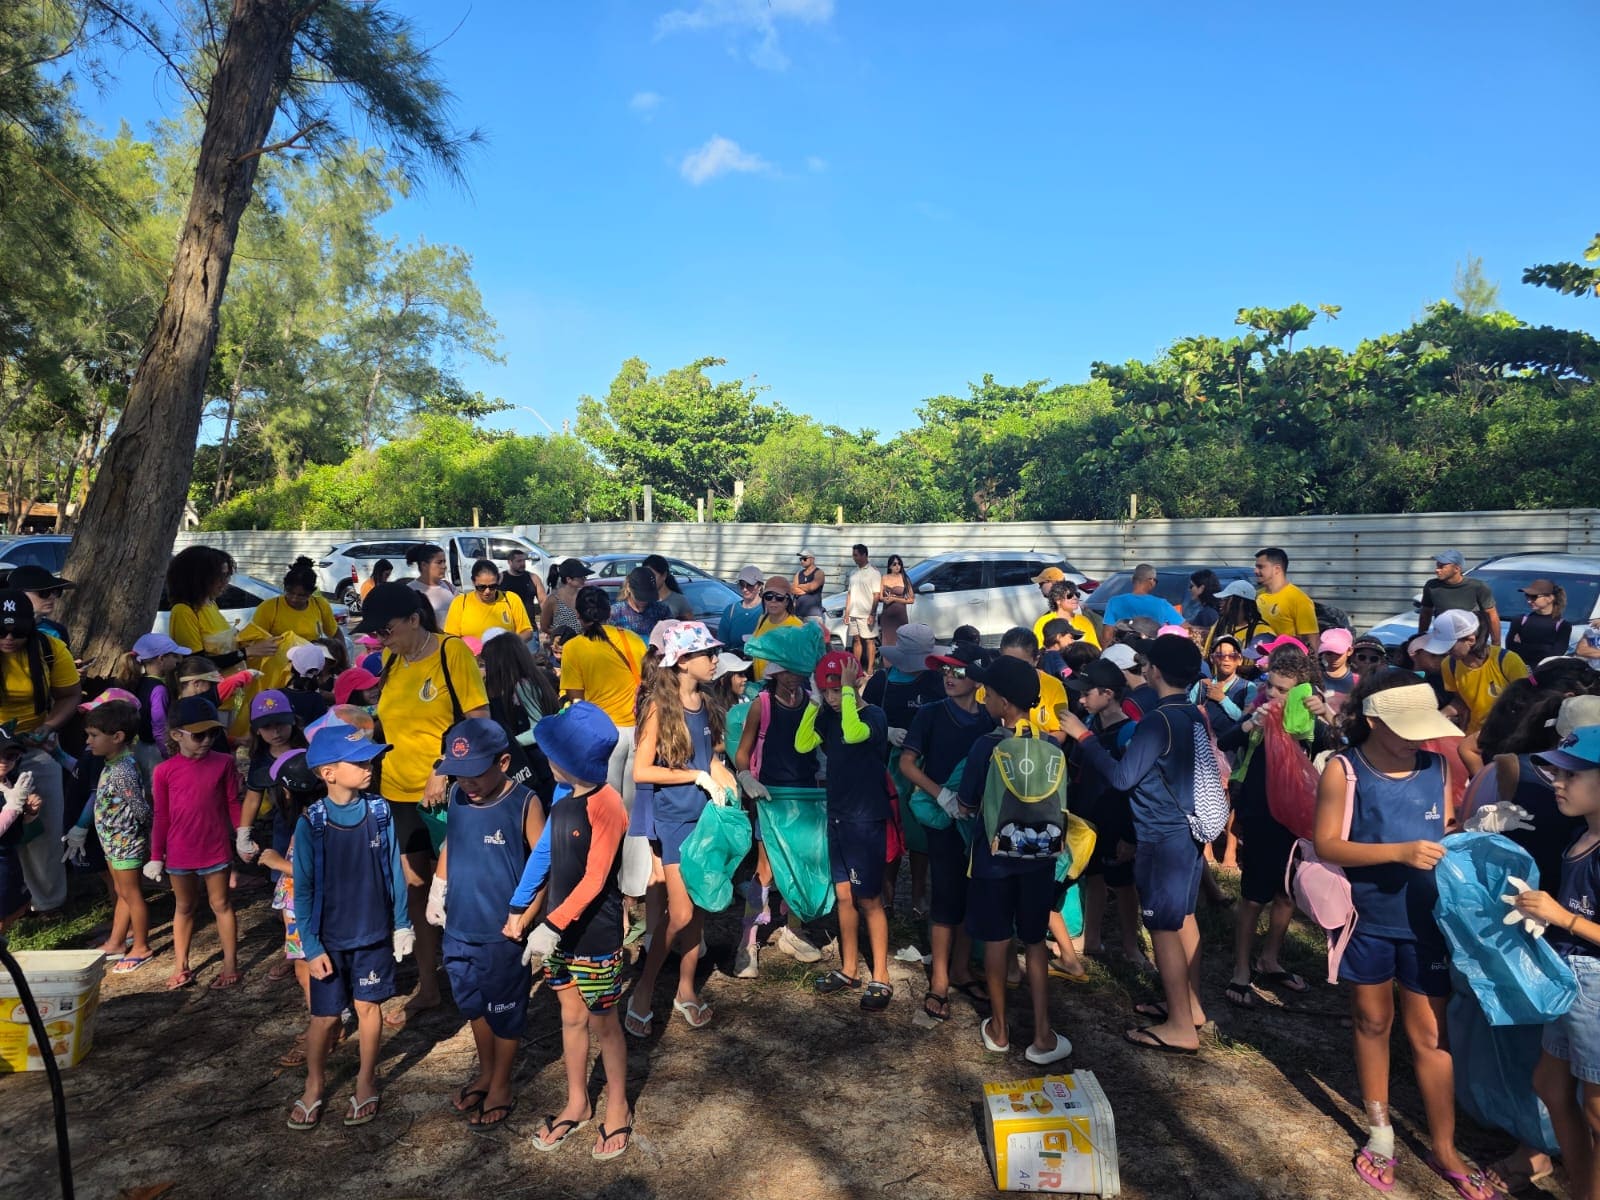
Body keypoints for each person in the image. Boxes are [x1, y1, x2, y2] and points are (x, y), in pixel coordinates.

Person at [1312, 672, 1495, 1198]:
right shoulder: (1344, 770)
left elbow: (1446, 828)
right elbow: (1328, 844)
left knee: (1432, 1036)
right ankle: (1381, 1134)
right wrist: (1399, 851)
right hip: (1367, 920)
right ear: (1372, 720)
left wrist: (1473, 834)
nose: (1419, 738)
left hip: (1428, 921)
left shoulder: (1438, 765)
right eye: (1406, 728)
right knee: (1372, 1021)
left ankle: (1444, 1146)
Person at [1062, 634, 1213, 1054]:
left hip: (1160, 835)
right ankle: (1191, 1006)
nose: (1143, 671)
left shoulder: (1156, 720)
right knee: (1183, 918)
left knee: (1163, 926)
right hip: (1187, 830)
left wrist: (1083, 738)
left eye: (1146, 665)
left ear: (1155, 671)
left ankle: (1180, 1026)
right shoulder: (1191, 712)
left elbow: (1123, 777)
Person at [355, 582, 490, 1025]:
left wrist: (443, 767)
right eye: (375, 632)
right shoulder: (392, 660)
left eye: (386, 629)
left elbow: (479, 724)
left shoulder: (453, 654)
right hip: (398, 793)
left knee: (462, 888)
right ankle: (430, 987)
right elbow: (391, 721)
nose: (379, 638)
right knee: (417, 890)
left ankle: (481, 978)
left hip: (449, 795)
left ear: (414, 618)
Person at [505, 701, 633, 1161]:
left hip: (593, 937)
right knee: (570, 1017)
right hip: (556, 933)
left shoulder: (608, 805)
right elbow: (546, 859)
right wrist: (522, 910)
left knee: (605, 1023)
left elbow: (596, 879)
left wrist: (552, 926)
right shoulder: (562, 796)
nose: (544, 761)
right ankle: (577, 1101)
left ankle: (617, 1105)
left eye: (549, 754)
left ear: (570, 759)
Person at [287, 721, 412, 1131]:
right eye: (359, 761)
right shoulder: (312, 822)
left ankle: (365, 1079)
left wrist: (401, 924)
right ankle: (314, 1083)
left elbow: (393, 868)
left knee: (369, 1007)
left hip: (373, 934)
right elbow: (301, 889)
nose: (369, 766)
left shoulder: (379, 811)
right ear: (328, 773)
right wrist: (311, 945)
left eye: (370, 759)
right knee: (324, 1017)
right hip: (327, 941)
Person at [955, 654, 1073, 1065]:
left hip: (992, 861)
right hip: (1039, 860)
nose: (984, 696)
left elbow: (968, 801)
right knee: (1036, 941)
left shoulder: (986, 745)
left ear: (1003, 704)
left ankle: (1000, 1029)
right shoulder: (1049, 745)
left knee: (996, 939)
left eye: (990, 693)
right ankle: (1042, 1034)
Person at [427, 717, 543, 1127]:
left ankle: (502, 1083)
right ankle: (487, 1069)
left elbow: (543, 863)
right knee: (473, 1003)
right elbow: (451, 844)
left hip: (502, 933)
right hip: (458, 926)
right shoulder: (458, 796)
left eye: (476, 773)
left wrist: (529, 918)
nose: (467, 782)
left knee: (505, 1008)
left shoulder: (525, 803)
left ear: (505, 762)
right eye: (458, 774)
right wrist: (437, 888)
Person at [626, 620, 730, 1033]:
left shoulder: (706, 703)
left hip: (705, 816)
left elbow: (710, 759)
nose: (715, 659)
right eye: (708, 654)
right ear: (684, 661)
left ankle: (686, 989)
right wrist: (695, 777)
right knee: (681, 910)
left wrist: (726, 780)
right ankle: (645, 989)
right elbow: (641, 771)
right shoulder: (658, 707)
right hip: (673, 820)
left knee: (699, 907)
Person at [1217, 645, 1335, 1009]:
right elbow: (1226, 741)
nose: (1273, 694)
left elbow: (1342, 743)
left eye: (1283, 690)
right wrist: (1251, 722)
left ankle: (1269, 959)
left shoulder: (1309, 718)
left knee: (1287, 892)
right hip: (1259, 810)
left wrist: (1328, 713)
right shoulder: (1259, 713)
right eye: (1271, 685)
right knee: (1254, 894)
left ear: (1302, 691)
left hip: (1297, 812)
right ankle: (1240, 968)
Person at [1511, 725, 1600, 1200]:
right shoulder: (1580, 834)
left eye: (1571, 774)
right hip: (1571, 978)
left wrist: (1560, 917)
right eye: (1555, 772)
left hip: (1597, 985)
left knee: (1598, 1110)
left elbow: (1575, 917)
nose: (1556, 783)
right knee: (1550, 1081)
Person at [901, 641, 997, 1021]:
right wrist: (940, 794)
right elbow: (908, 764)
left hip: (978, 822)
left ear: (977, 679)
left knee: (973, 894)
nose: (948, 677)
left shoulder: (990, 719)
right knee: (945, 897)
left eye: (958, 671)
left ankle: (961, 968)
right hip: (943, 820)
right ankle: (939, 980)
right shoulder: (930, 713)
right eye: (944, 670)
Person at [731, 628, 827, 978]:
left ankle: (793, 930)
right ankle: (748, 939)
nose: (792, 676)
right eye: (786, 670)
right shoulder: (762, 704)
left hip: (805, 797)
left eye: (797, 670)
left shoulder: (813, 702)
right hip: (770, 798)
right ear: (775, 672)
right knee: (765, 870)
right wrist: (747, 779)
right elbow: (742, 754)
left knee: (800, 864)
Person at [801, 650, 894, 1011]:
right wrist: (812, 705)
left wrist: (849, 694)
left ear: (854, 685)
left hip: (864, 818)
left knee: (868, 898)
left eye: (835, 690)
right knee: (844, 896)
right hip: (838, 816)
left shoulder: (874, 716)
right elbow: (802, 744)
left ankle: (881, 975)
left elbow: (855, 735)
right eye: (826, 691)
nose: (831, 698)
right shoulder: (826, 714)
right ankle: (849, 968)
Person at [146, 697, 242, 991]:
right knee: (184, 907)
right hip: (179, 852)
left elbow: (233, 802)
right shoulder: (164, 771)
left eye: (213, 734)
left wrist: (243, 834)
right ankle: (181, 965)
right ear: (176, 735)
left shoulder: (224, 762)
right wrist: (156, 855)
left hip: (215, 848)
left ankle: (230, 964)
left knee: (221, 904)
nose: (207, 741)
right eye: (199, 735)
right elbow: (161, 815)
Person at [0, 587, 78, 913]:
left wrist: (50, 726)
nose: (9, 637)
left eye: (18, 631)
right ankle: (9, 903)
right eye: (0, 630)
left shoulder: (49, 648)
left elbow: (69, 694)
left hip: (34, 747)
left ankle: (47, 904)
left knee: (42, 827)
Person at [863, 623, 946, 916]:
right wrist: (886, 731)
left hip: (925, 766)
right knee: (891, 831)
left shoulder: (936, 682)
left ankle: (919, 894)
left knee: (921, 832)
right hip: (887, 767)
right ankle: (887, 893)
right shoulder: (881, 682)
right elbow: (862, 720)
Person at [1069, 657, 1145, 965]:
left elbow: (1133, 787)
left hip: (1117, 822)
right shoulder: (1086, 725)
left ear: (1109, 694)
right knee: (1094, 877)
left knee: (1124, 886)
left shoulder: (1131, 733)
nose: (1081, 699)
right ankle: (1093, 938)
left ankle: (1132, 946)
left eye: (1087, 693)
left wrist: (1130, 835)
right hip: (1088, 819)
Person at [77, 699, 154, 974]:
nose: (89, 741)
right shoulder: (111, 763)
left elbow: (141, 809)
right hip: (113, 843)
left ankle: (141, 946)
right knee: (121, 892)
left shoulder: (122, 769)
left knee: (132, 894)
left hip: (126, 844)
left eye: (94, 735)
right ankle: (116, 941)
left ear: (117, 737)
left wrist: (149, 839)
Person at [561, 586, 645, 819]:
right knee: (632, 813)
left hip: (603, 736)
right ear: (609, 612)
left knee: (606, 814)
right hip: (639, 733)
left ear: (578, 614)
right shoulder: (633, 640)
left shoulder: (573, 648)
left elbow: (576, 700)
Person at [234, 690, 309, 950]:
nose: (275, 732)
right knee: (284, 889)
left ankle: (315, 942)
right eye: (267, 727)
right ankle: (294, 948)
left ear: (293, 721)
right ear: (256, 730)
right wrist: (243, 835)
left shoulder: (309, 748)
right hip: (283, 829)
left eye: (280, 723)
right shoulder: (261, 760)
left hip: (314, 826)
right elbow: (253, 797)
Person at [478, 628, 559, 809]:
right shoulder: (529, 680)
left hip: (538, 769)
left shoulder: (523, 686)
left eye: (486, 663)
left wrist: (509, 744)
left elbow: (538, 729)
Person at [167, 545, 266, 667]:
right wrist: (247, 652)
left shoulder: (210, 603)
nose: (225, 582)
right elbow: (195, 664)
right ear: (197, 578)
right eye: (220, 576)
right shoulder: (183, 611)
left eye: (227, 575)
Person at [1433, 609, 1528, 735]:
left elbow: (1528, 701)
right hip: (1475, 735)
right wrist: (1442, 715)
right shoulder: (1449, 665)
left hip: (1510, 736)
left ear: (1471, 640)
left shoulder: (1508, 660)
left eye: (1449, 646)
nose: (1445, 652)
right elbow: (1461, 701)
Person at [116, 632, 187, 750]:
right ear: (161, 658)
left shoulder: (139, 680)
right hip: (155, 750)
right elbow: (159, 728)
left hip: (142, 746)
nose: (177, 660)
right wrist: (168, 754)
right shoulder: (159, 690)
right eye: (174, 656)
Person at [248, 557, 339, 644]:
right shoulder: (268, 608)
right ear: (284, 587)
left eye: (302, 595)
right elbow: (254, 641)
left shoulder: (320, 605)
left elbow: (335, 633)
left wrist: (342, 655)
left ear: (311, 593)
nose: (294, 598)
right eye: (290, 592)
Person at [445, 559, 535, 643]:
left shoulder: (511, 599)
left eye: (492, 587)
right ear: (473, 582)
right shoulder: (461, 602)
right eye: (481, 587)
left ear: (498, 581)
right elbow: (451, 636)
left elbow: (526, 631)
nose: (487, 591)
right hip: (470, 658)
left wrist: (508, 646)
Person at [1419, 550, 1499, 644]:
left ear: (1456, 569)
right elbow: (1426, 613)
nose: (1437, 570)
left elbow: (1491, 616)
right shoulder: (1431, 586)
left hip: (1470, 642)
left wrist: (1496, 643)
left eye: (1442, 566)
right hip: (1443, 640)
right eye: (1437, 566)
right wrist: (1421, 638)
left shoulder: (1477, 587)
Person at [1253, 548, 1320, 652]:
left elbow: (1312, 638)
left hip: (1284, 662)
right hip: (1257, 661)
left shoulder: (1298, 599)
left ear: (1277, 569)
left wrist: (1313, 664)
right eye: (1256, 567)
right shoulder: (1256, 596)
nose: (1255, 571)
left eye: (1260, 567)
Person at [1506, 578, 1574, 667]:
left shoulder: (1563, 625)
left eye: (1534, 597)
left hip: (1544, 672)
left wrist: (1524, 647)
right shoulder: (1519, 620)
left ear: (1550, 598)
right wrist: (1544, 648)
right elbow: (1510, 647)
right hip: (1521, 669)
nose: (1529, 601)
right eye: (1527, 596)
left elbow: (1556, 653)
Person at [5, 564, 74, 647]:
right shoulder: (4, 630)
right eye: (44, 592)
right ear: (19, 594)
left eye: (55, 591)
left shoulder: (57, 630)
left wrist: (69, 660)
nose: (52, 596)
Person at [748, 577, 803, 681]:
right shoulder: (762, 619)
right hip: (760, 685)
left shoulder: (796, 626)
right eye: (768, 597)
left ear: (787, 601)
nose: (773, 601)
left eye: (779, 597)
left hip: (781, 689)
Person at [1103, 564, 1184, 628]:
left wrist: (1105, 649)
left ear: (1132, 580)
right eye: (1156, 580)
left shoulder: (1114, 602)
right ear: (1151, 581)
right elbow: (1184, 626)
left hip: (1123, 647)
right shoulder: (1162, 604)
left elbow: (1107, 635)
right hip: (1152, 647)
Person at [845, 544, 883, 676]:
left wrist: (872, 613)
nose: (854, 558)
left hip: (867, 613)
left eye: (856, 555)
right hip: (854, 612)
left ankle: (871, 669)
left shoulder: (874, 572)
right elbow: (849, 593)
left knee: (869, 640)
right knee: (856, 640)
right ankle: (858, 668)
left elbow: (876, 595)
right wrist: (847, 612)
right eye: (853, 555)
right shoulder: (853, 573)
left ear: (864, 555)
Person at [1034, 579, 1101, 650]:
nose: (1075, 598)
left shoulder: (1083, 621)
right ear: (1058, 600)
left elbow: (1094, 648)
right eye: (1070, 595)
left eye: (1077, 595)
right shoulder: (1043, 622)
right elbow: (1039, 650)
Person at [1211, 579, 1270, 658]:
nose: (1221, 603)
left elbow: (1265, 664)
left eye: (1225, 599)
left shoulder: (1262, 631)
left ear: (1240, 602)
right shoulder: (1220, 624)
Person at [541, 558, 592, 648]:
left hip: (583, 646)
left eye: (585, 576)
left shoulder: (585, 596)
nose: (584, 579)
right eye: (581, 577)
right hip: (561, 649)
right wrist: (561, 635)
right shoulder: (553, 599)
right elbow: (544, 626)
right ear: (569, 579)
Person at [717, 565, 767, 655]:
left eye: (749, 585)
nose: (745, 589)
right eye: (741, 585)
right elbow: (723, 642)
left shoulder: (767, 610)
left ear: (759, 586)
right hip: (734, 663)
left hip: (760, 663)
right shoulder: (731, 610)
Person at [609, 567, 669, 640]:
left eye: (648, 596)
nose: (644, 601)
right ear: (628, 588)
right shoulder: (615, 613)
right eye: (640, 597)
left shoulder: (662, 611)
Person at [405, 543, 457, 627]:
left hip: (451, 639)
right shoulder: (410, 591)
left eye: (444, 561)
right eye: (439, 562)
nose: (444, 566)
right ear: (424, 565)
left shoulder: (449, 587)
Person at [874, 555, 915, 647]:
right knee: (887, 642)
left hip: (900, 615)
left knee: (901, 641)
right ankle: (887, 661)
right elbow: (880, 597)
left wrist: (895, 599)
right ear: (890, 566)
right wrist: (885, 599)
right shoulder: (884, 578)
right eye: (894, 564)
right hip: (887, 615)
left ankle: (900, 661)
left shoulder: (904, 578)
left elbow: (911, 599)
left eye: (899, 564)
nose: (897, 566)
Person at [1318, 628, 1359, 714]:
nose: (1333, 658)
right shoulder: (1316, 679)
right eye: (1329, 653)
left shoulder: (1358, 682)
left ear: (1349, 651)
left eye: (1338, 653)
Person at [643, 554, 694, 621]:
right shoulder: (640, 600)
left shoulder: (679, 600)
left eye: (652, 575)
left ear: (664, 575)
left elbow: (689, 627)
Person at [499, 547, 545, 614]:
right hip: (508, 621)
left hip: (529, 622)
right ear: (509, 562)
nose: (523, 564)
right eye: (519, 561)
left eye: (524, 561)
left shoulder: (533, 578)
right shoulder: (501, 577)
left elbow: (543, 601)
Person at [792, 551, 825, 624]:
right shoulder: (799, 573)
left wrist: (799, 586)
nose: (802, 561)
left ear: (812, 559)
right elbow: (793, 589)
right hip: (798, 614)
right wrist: (806, 588)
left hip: (813, 615)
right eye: (800, 559)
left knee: (813, 635)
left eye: (804, 559)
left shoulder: (819, 573)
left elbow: (812, 587)